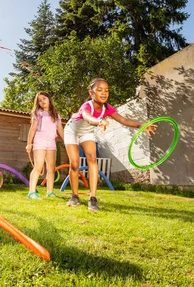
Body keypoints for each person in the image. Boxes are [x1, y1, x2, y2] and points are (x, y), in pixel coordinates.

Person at [63, 78, 156, 212]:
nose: (104, 93)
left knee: (92, 159)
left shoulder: (107, 108)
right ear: (91, 93)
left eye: (106, 90)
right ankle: (74, 196)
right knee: (75, 164)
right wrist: (99, 121)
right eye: (99, 90)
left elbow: (123, 120)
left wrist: (142, 125)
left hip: (87, 132)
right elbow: (87, 117)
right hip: (72, 131)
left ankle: (93, 198)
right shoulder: (87, 106)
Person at [25, 91, 64, 199]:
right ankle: (31, 192)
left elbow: (60, 130)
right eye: (39, 101)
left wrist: (67, 141)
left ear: (49, 99)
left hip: (51, 142)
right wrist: (29, 144)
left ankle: (50, 192)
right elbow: (32, 129)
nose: (42, 102)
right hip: (40, 141)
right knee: (38, 166)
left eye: (44, 99)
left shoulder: (56, 115)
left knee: (51, 168)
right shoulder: (38, 113)